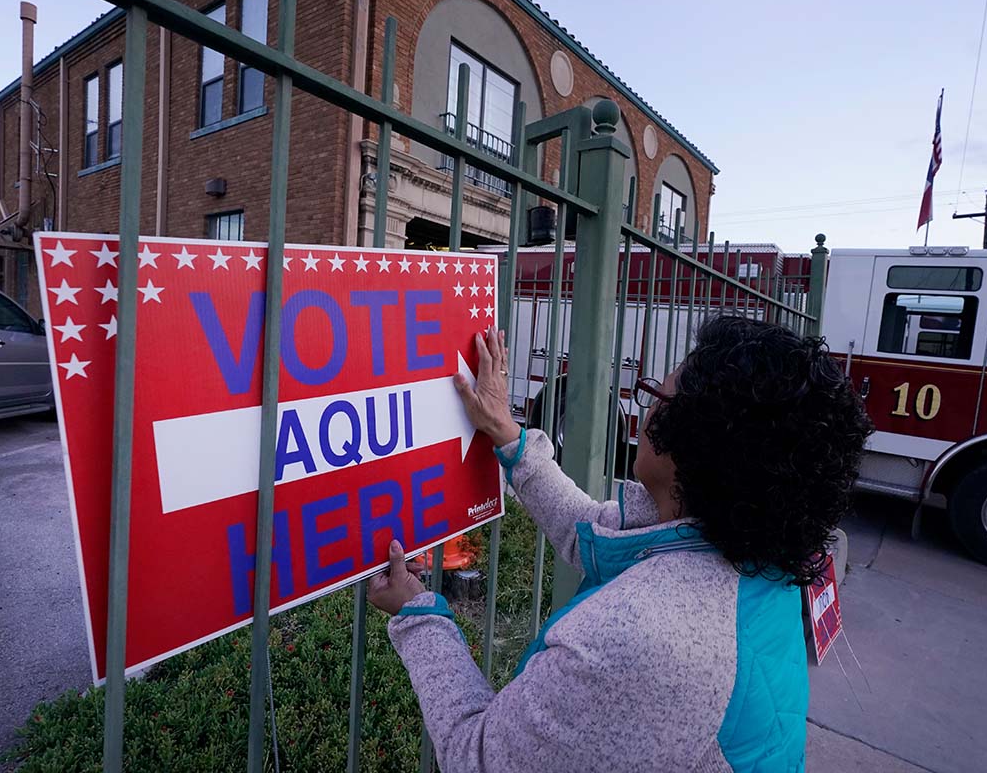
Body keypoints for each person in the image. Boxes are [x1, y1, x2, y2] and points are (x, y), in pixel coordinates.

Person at [367, 316, 872, 772]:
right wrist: (508, 436)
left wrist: (417, 614)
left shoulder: (640, 639)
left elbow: (476, 758)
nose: (647, 413)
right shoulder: (758, 551)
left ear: (695, 445)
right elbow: (588, 530)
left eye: (657, 395)